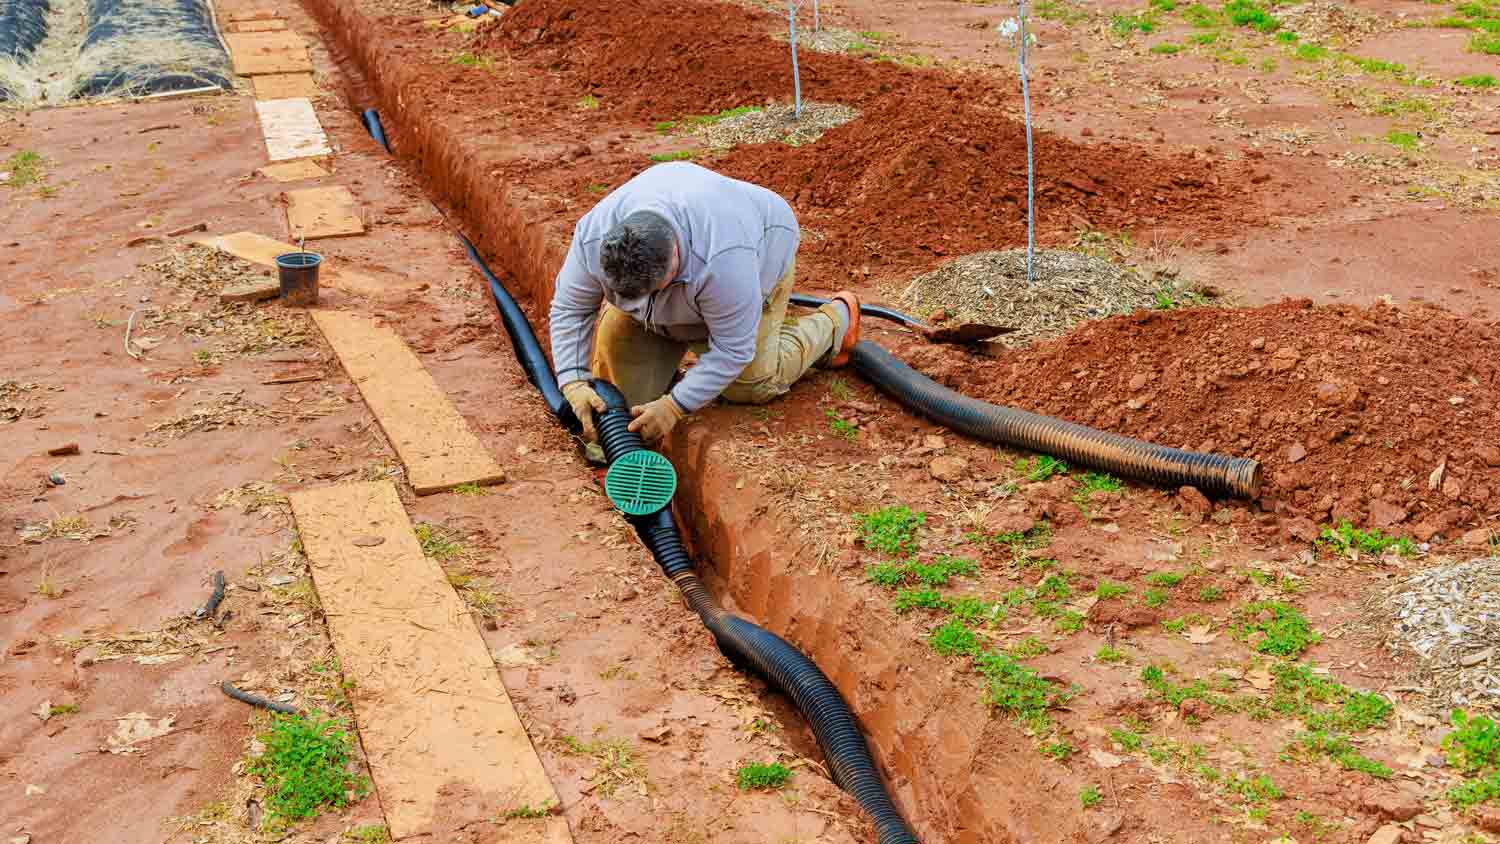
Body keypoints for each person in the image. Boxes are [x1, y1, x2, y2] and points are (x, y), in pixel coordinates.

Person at [548, 160, 861, 447]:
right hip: (687, 292)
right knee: (624, 407)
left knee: (750, 384)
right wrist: (573, 380)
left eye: (650, 294)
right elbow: (570, 309)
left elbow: (733, 349)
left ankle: (834, 322)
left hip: (762, 252)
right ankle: (662, 357)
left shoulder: (724, 260)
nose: (641, 305)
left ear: (673, 260)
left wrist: (674, 405)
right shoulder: (594, 235)